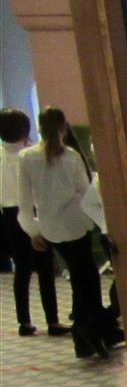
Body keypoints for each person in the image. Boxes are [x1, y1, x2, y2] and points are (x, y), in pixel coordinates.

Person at [16, 107, 116, 359]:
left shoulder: (26, 157)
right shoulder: (71, 156)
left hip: (50, 227)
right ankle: (90, 329)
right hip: (77, 223)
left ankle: (88, 331)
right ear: (64, 128)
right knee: (87, 278)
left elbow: (24, 201)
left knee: (79, 276)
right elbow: (86, 192)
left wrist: (32, 231)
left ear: (39, 127)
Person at [0, 107, 66, 338]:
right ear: (24, 130)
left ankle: (24, 321)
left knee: (22, 269)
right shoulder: (30, 155)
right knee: (45, 267)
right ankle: (53, 320)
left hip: (8, 215)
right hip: (34, 210)